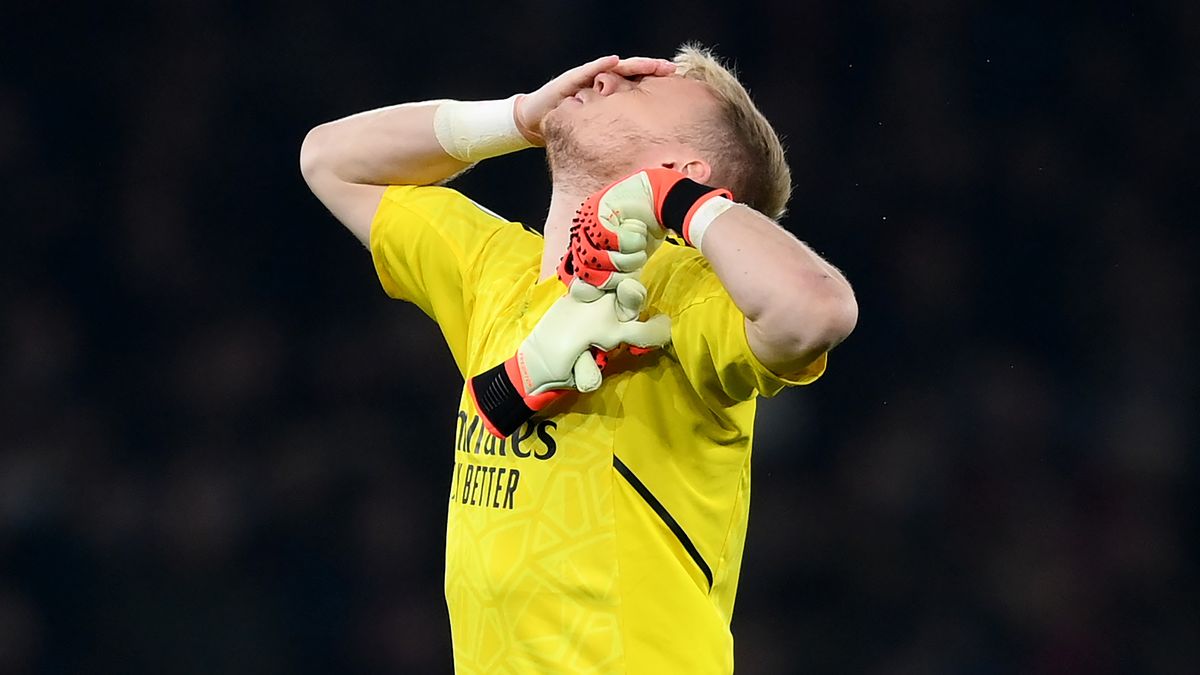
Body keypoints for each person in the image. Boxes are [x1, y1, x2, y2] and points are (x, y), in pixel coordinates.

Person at [300, 45, 857, 674]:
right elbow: (328, 160)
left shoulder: (688, 295)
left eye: (637, 90)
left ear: (683, 169)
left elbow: (817, 310)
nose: (606, 75)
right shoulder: (498, 272)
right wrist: (519, 118)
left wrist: (676, 200)